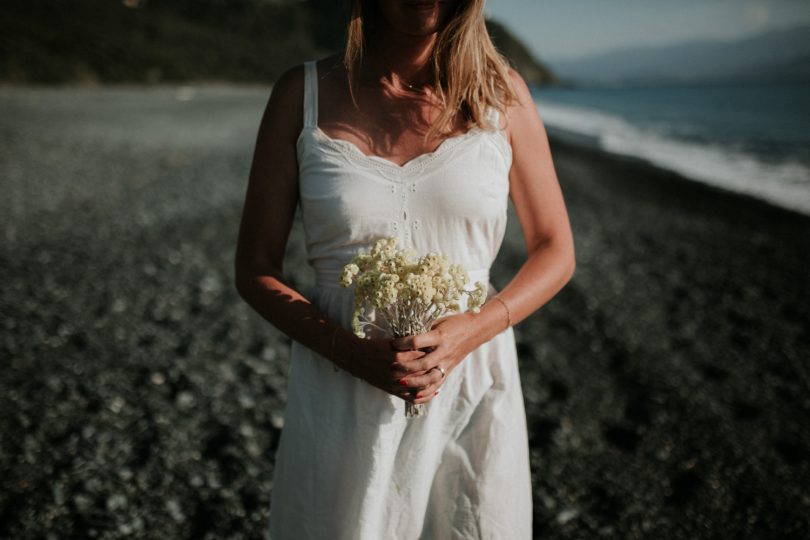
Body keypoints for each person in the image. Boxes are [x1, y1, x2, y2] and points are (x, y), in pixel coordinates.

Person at [234, 0, 575, 537]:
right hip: (338, 389)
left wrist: (472, 330)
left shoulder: (499, 93)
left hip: (469, 389)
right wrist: (350, 351)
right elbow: (255, 268)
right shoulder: (301, 94)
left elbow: (556, 248)